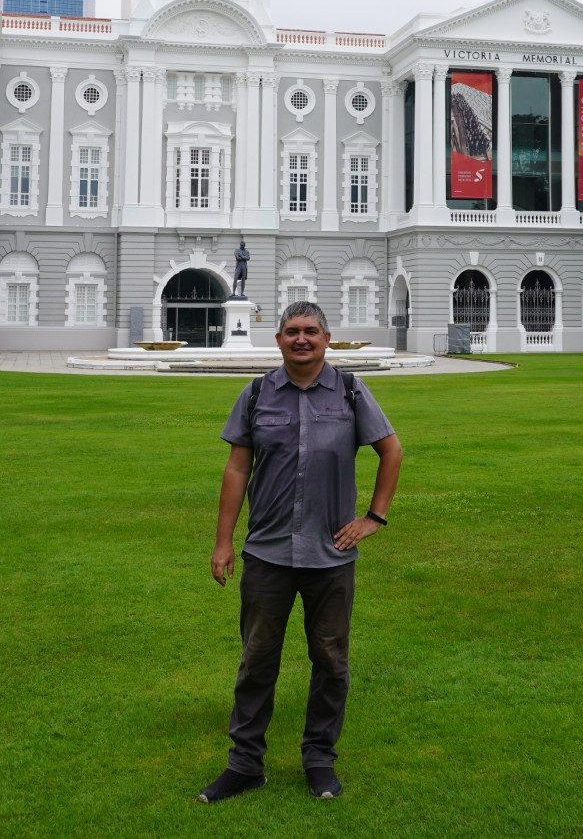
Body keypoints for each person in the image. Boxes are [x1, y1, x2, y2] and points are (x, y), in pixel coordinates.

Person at [201, 302, 404, 804]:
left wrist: (373, 518)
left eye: (311, 331)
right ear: (278, 340)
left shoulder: (351, 392)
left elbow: (391, 450)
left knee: (330, 661)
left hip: (330, 555)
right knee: (256, 661)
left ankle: (319, 760)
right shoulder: (256, 394)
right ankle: (245, 764)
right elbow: (235, 470)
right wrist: (224, 542)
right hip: (268, 553)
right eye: (292, 332)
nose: (301, 340)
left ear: (327, 338)